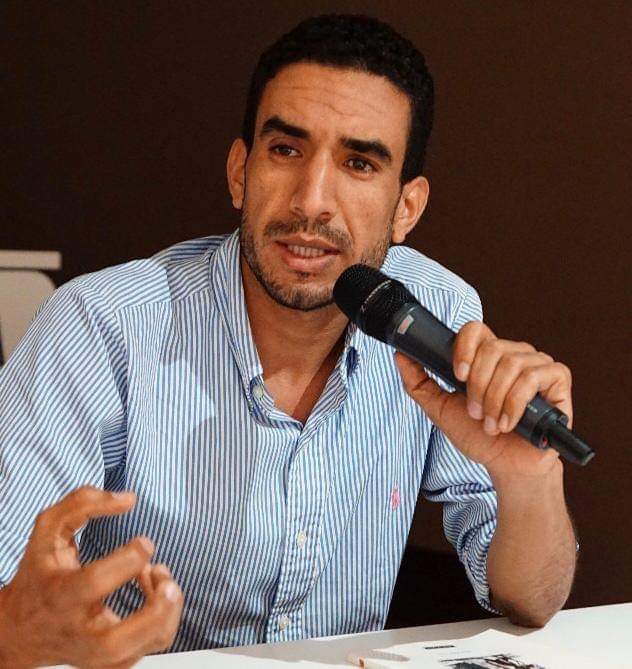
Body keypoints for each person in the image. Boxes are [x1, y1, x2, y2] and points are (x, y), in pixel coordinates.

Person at [0, 14, 577, 668]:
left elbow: (533, 599)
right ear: (239, 171)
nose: (311, 201)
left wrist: (529, 480)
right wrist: (29, 632)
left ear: (406, 207)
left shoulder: (434, 315)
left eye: (358, 163)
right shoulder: (101, 325)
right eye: (286, 150)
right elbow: (12, 599)